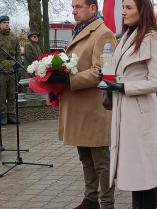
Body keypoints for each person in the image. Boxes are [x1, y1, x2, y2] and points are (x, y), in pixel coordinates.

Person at [46, 0, 117, 208]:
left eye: (78, 6)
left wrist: (68, 80)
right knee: (85, 157)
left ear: (93, 8)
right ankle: (90, 198)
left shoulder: (104, 33)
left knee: (102, 163)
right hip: (80, 109)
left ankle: (106, 202)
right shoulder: (81, 30)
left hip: (95, 109)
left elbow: (103, 71)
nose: (73, 10)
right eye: (73, 6)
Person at [99, 0, 157, 208]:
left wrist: (123, 87)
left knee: (145, 171)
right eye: (123, 8)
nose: (123, 12)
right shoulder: (127, 36)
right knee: (135, 172)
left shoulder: (152, 38)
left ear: (142, 10)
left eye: (129, 8)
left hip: (140, 114)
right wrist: (108, 82)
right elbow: (116, 70)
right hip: (124, 112)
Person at [0, 15, 21, 125]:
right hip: (1, 69)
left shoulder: (14, 37)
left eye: (7, 22)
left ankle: (11, 114)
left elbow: (18, 53)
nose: (6, 24)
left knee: (12, 94)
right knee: (2, 94)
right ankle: (3, 115)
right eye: (4, 22)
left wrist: (17, 64)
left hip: (12, 68)